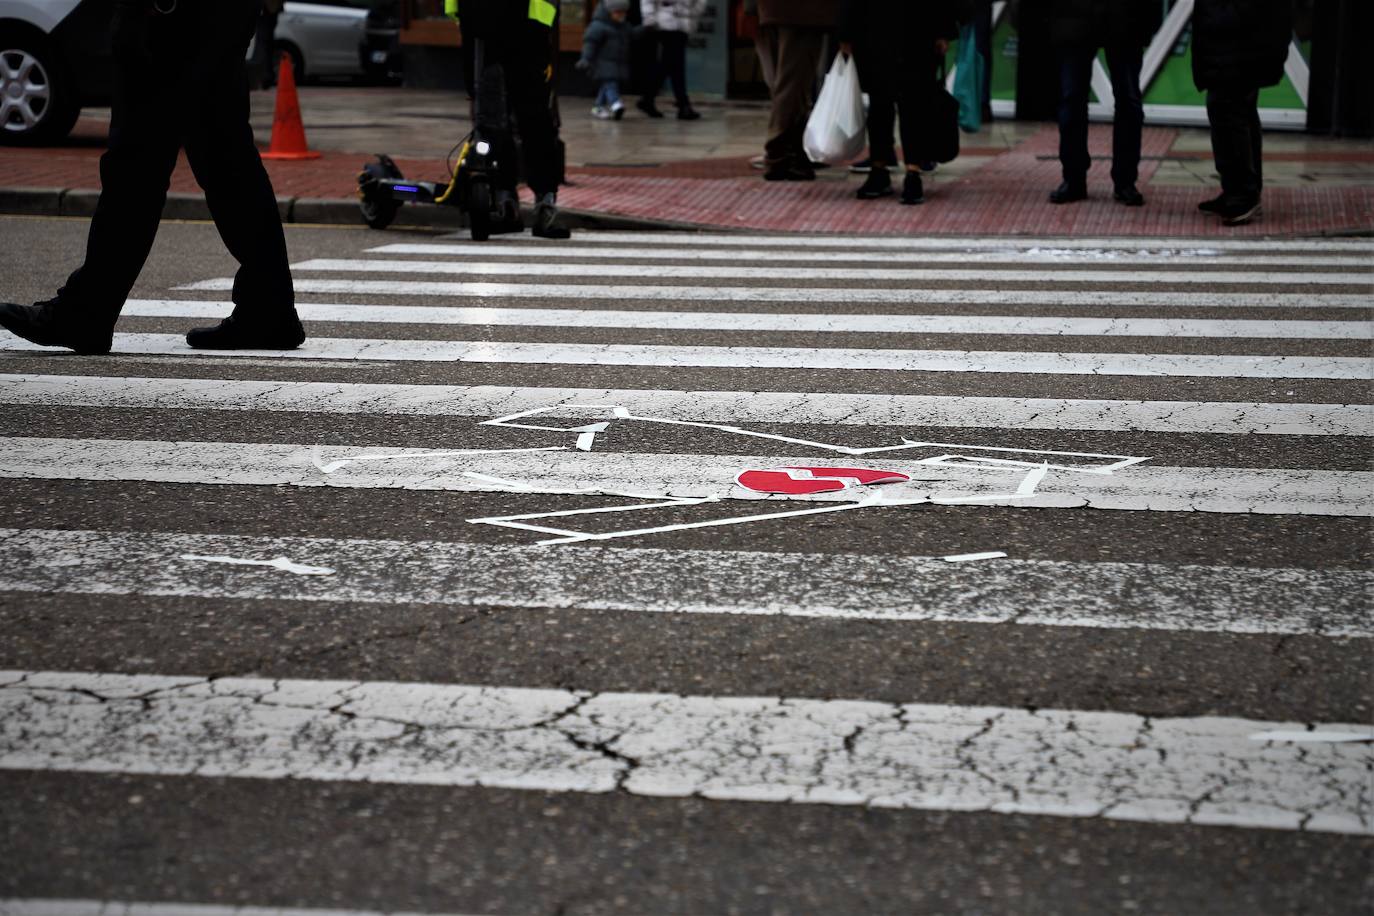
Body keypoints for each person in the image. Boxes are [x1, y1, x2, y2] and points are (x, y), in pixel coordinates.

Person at [0, 0, 304, 355]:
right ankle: (269, 307)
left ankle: (86, 312)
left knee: (137, 166)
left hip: (172, 15)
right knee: (225, 159)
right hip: (220, 13)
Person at [453, 0, 571, 239]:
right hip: (484, 28)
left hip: (525, 30)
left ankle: (541, 203)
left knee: (534, 120)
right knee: (494, 122)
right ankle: (508, 201)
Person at [839, 0, 958, 205]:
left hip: (913, 31)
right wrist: (846, 32)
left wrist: (943, 30)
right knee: (882, 105)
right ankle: (884, 168)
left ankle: (908, 170)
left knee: (909, 105)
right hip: (881, 31)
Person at [1045, 0, 1159, 206]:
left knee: (1127, 100)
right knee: (1072, 101)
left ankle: (1124, 180)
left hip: (1125, 18)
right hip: (1075, 19)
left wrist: (1149, 20)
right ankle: (1074, 177)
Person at [1193, 0, 1294, 226]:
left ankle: (1242, 194)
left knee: (1229, 112)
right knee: (1237, 112)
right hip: (1239, 43)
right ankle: (1239, 190)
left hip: (1238, 43)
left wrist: (1218, 19)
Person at [756, 0, 840, 181]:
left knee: (785, 84)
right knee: (793, 84)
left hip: (773, 11)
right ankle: (779, 154)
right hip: (801, 14)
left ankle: (793, 151)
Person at [638, 0, 706, 120]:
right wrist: (649, 18)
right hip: (665, 22)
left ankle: (648, 99)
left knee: (670, 64)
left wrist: (692, 13)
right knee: (676, 64)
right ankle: (683, 104)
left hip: (683, 23)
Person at [578, 0, 633, 120]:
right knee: (610, 83)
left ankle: (598, 106)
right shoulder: (598, 26)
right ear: (609, 12)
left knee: (606, 85)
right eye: (617, 12)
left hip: (616, 63)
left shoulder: (622, 27)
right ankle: (616, 104)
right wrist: (585, 59)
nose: (620, 15)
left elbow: (632, 34)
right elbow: (590, 43)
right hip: (601, 63)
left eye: (623, 13)